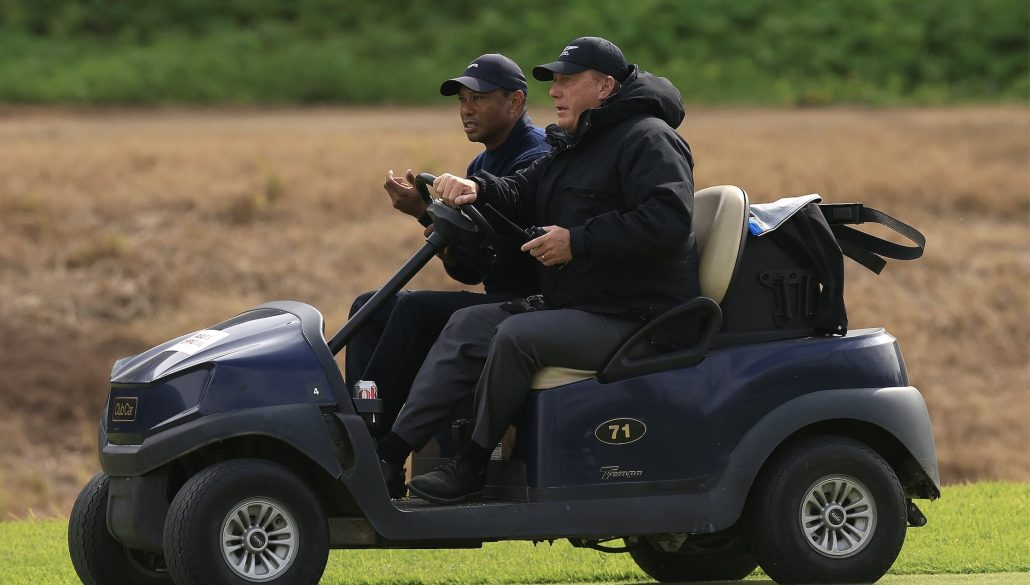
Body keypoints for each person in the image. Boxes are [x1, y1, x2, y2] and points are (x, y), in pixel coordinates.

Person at [375, 37, 700, 504]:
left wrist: (577, 241)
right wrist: (474, 187)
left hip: (639, 316)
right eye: (555, 82)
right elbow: (518, 190)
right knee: (469, 323)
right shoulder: (576, 144)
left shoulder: (649, 138)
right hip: (586, 305)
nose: (555, 91)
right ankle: (387, 456)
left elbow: (667, 222)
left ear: (605, 85)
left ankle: (472, 463)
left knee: (517, 335)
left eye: (568, 80)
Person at [345, 54, 549, 495]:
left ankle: (378, 454)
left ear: (515, 102)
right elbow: (470, 272)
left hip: (531, 304)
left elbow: (519, 257)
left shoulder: (537, 158)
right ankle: (362, 429)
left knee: (415, 310)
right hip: (497, 298)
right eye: (461, 100)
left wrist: (440, 224)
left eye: (478, 99)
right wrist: (426, 215)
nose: (466, 110)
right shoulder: (480, 166)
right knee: (369, 306)